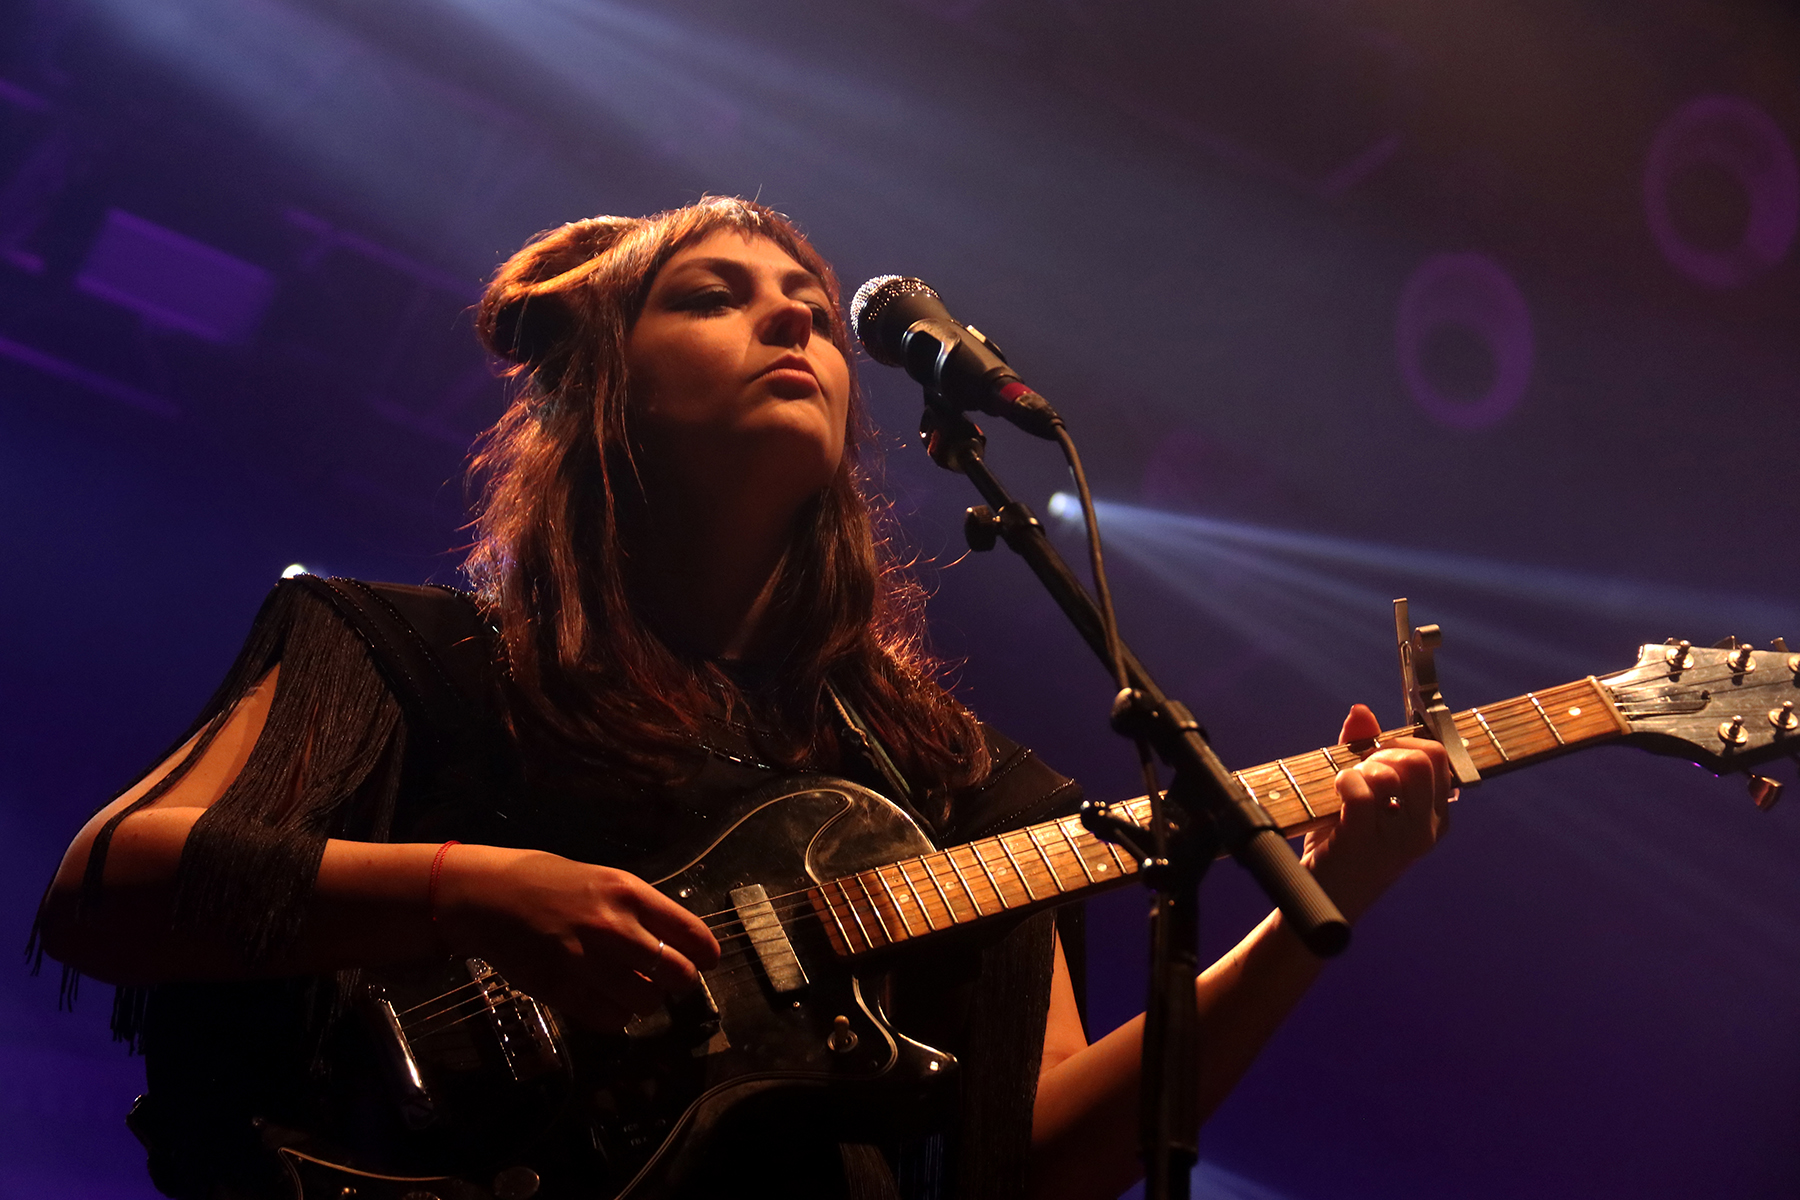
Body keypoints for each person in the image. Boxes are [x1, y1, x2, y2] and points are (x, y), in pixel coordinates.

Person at [37, 197, 1452, 1200]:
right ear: (606, 388)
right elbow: (106, 886)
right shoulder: (406, 655)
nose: (790, 315)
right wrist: (476, 891)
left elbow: (1036, 1163)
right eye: (713, 295)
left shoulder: (951, 787)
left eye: (812, 314)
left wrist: (1327, 899)